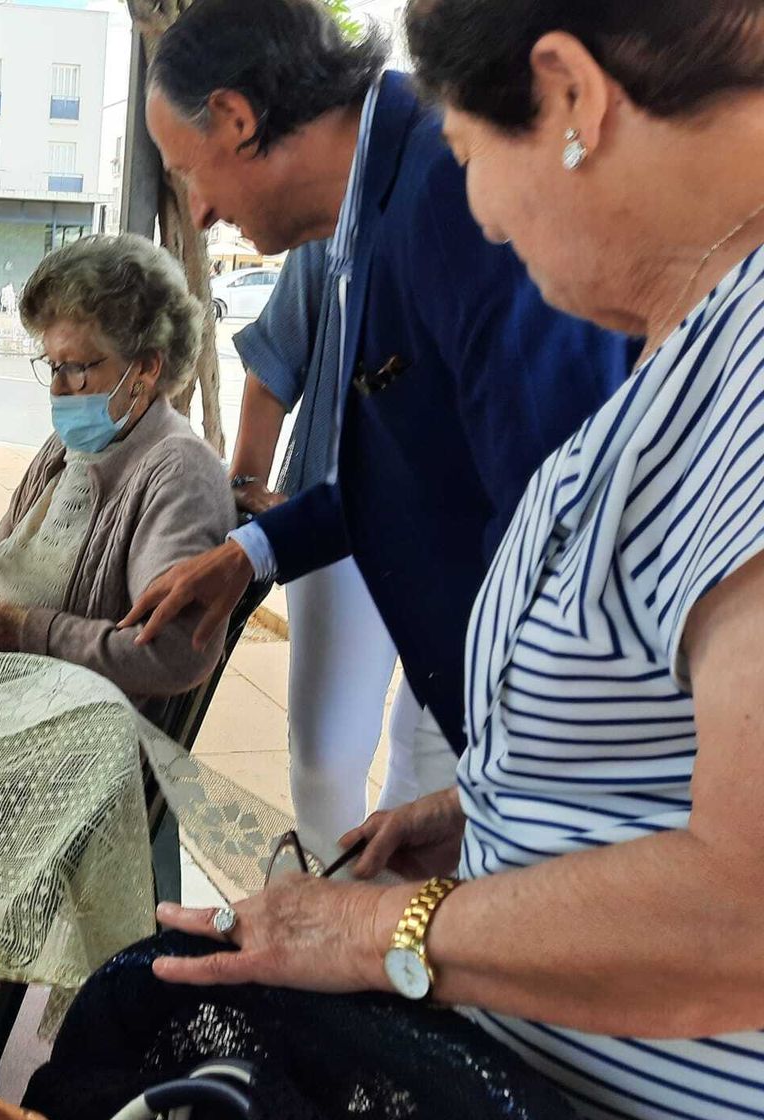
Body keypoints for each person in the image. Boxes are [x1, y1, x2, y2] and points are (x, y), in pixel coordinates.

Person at [137, 1, 764, 1120]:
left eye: (477, 155)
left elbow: (742, 910)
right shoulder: (686, 350)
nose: (474, 208)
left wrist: (373, 935)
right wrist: (492, 800)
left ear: (570, 99)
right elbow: (651, 703)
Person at [123, 0, 631, 837]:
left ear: (236, 118)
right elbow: (410, 455)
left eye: (188, 172)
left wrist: (499, 795)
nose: (201, 211)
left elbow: (558, 508)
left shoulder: (452, 184)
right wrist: (252, 550)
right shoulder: (376, 200)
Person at [0, 234, 235, 722]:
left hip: (45, 754)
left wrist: (24, 631)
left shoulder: (179, 472)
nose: (59, 389)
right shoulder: (70, 447)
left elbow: (172, 651)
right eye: (52, 366)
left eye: (77, 368)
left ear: (146, 367)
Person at [231, 241, 457, 846]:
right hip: (340, 526)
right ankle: (336, 900)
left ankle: (374, 909)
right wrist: (248, 492)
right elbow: (276, 362)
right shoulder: (340, 216)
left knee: (432, 755)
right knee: (326, 757)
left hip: (468, 536)